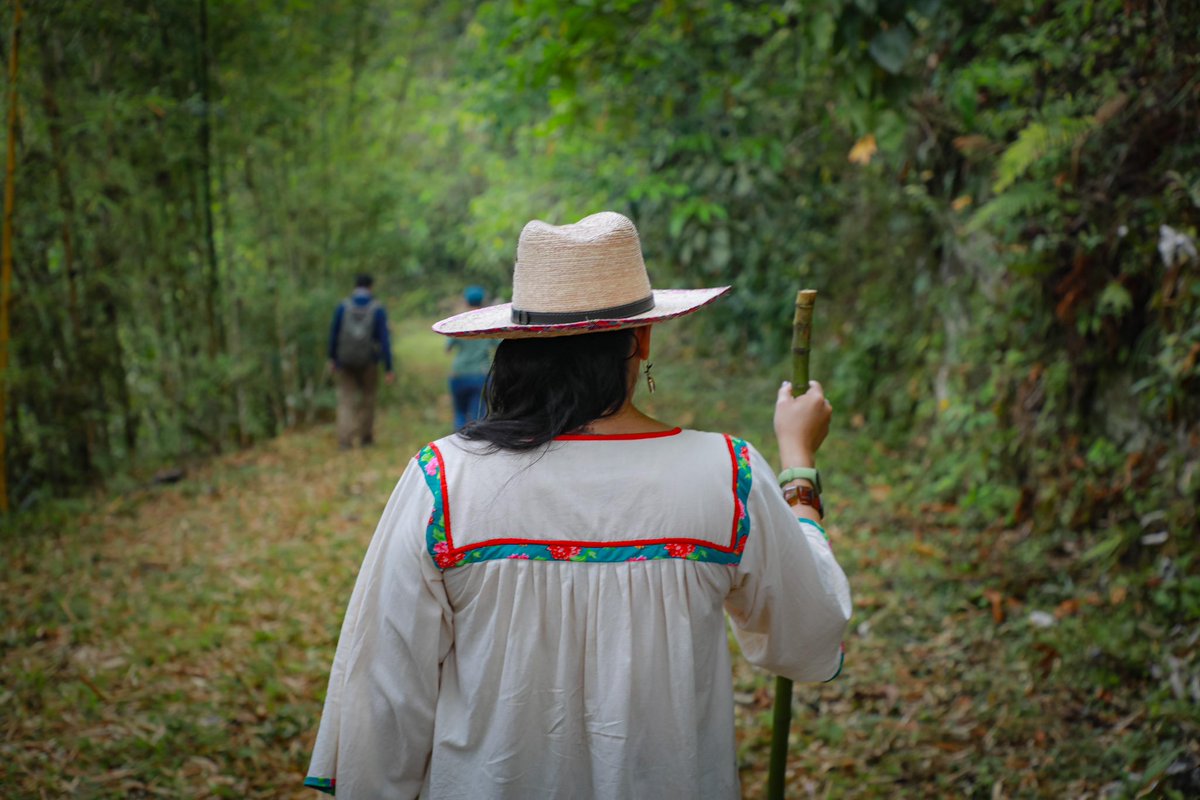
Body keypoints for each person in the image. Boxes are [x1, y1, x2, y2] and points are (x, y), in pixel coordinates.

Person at [305, 212, 851, 799]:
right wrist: (798, 471)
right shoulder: (728, 476)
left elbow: (379, 702)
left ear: (517, 342)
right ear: (642, 337)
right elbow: (811, 635)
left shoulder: (443, 480)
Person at [328, 274, 395, 449]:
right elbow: (384, 340)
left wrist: (332, 359)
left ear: (355, 286)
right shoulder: (377, 309)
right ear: (370, 287)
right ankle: (365, 438)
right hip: (369, 362)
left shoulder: (343, 307)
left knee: (345, 401)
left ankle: (345, 441)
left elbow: (334, 335)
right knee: (368, 399)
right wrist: (388, 367)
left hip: (345, 361)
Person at [446, 285, 497, 429]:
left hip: (458, 374)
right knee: (478, 417)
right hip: (480, 374)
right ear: (483, 301)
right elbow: (498, 343)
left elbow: (448, 348)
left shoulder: (459, 321)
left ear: (466, 301)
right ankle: (475, 448)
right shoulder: (489, 323)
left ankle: (457, 445)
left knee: (460, 414)